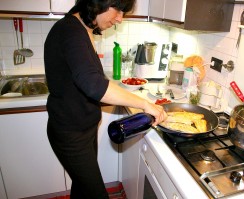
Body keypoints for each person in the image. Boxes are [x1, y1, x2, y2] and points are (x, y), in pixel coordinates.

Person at [44, 0, 167, 198]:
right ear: (97, 2)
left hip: (83, 130)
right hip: (71, 135)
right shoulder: (70, 32)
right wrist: (145, 104)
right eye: (118, 9)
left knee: (83, 188)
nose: (120, 18)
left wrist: (127, 98)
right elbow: (93, 85)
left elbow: (89, 83)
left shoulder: (83, 30)